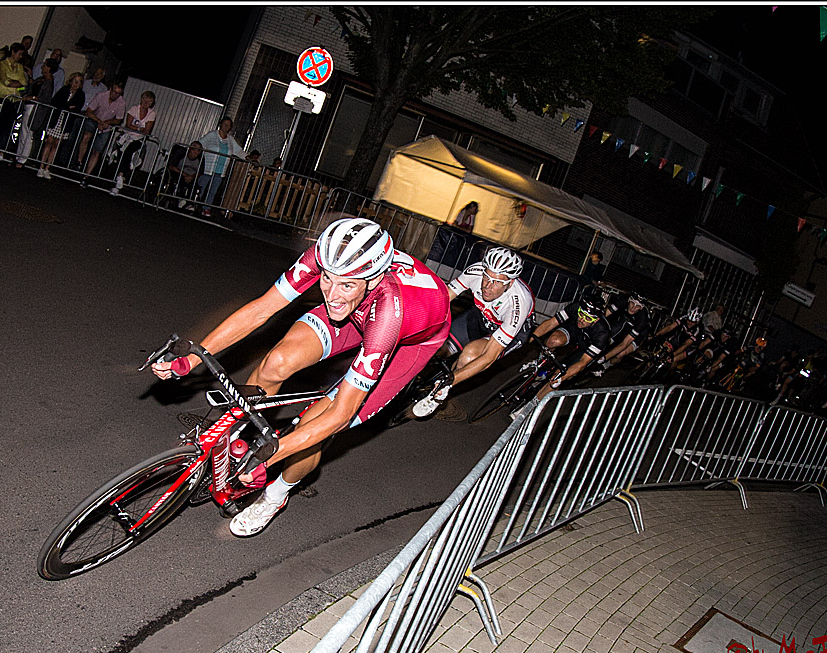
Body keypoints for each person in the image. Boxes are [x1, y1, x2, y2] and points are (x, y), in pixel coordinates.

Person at [150, 218, 452, 537]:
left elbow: (340, 414)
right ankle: (237, 432)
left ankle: (275, 497)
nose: (331, 293)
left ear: (373, 277)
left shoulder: (391, 310)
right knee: (276, 362)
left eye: (346, 284)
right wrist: (194, 353)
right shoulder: (328, 260)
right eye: (326, 279)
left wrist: (269, 458)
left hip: (409, 340)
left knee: (316, 428)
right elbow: (261, 310)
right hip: (357, 312)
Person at [411, 246, 535, 418]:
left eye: (497, 282)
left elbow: (488, 357)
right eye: (486, 276)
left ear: (511, 282)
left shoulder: (518, 303)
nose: (487, 286)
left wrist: (452, 379)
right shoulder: (475, 271)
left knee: (468, 357)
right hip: (480, 315)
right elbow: (443, 299)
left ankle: (441, 392)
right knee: (438, 347)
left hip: (507, 331)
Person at [530, 293, 614, 401]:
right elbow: (551, 323)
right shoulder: (576, 307)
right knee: (552, 341)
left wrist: (561, 378)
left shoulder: (602, 333)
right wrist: (530, 339)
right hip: (575, 331)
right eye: (581, 314)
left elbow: (582, 362)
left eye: (588, 318)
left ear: (596, 320)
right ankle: (541, 364)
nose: (582, 320)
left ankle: (530, 407)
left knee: (557, 378)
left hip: (587, 347)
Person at [0, 41, 28, 162]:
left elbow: (23, 83)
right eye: (19, 54)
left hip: (13, 99)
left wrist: (15, 84)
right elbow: (5, 81)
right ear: (13, 52)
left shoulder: (19, 67)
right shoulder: (3, 65)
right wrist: (15, 83)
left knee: (8, 124)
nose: (20, 57)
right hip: (2, 98)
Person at [108, 90, 157, 196]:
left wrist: (137, 129)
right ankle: (119, 178)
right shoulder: (133, 109)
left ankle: (120, 176)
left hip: (139, 139)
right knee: (121, 151)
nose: (146, 103)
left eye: (148, 102)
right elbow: (128, 124)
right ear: (141, 99)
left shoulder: (152, 114)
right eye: (144, 100)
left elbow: (147, 130)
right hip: (127, 136)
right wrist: (140, 129)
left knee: (129, 150)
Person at [197, 116, 248, 217]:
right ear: (221, 124)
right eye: (225, 125)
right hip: (208, 167)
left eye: (228, 126)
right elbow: (200, 144)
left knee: (213, 191)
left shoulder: (230, 140)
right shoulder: (212, 135)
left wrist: (248, 157)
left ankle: (206, 208)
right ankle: (195, 204)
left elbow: (238, 151)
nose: (226, 127)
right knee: (202, 188)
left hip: (220, 170)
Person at [37, 71, 85, 178]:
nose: (76, 84)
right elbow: (56, 102)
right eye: (75, 81)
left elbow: (77, 108)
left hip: (66, 122)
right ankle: (41, 166)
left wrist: (66, 106)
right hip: (56, 119)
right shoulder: (64, 90)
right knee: (49, 142)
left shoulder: (81, 95)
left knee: (56, 145)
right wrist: (68, 106)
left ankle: (47, 168)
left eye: (79, 82)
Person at [591, 292, 652, 376]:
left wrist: (604, 358)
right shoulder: (623, 301)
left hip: (639, 334)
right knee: (607, 336)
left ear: (641, 308)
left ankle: (605, 366)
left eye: (637, 306)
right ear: (629, 300)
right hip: (625, 322)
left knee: (621, 353)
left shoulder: (642, 319)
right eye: (632, 303)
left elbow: (624, 344)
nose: (633, 308)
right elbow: (603, 316)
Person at [76, 81, 126, 180]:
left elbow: (119, 119)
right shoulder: (101, 96)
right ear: (110, 89)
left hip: (107, 126)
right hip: (94, 119)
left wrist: (108, 122)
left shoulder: (121, 102)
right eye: (114, 92)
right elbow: (89, 111)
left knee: (97, 150)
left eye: (118, 93)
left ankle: (87, 175)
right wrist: (98, 121)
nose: (115, 95)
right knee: (86, 136)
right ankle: (79, 162)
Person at [14, 58, 58, 167]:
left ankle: (22, 159)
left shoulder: (48, 82)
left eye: (44, 65)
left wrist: (32, 98)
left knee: (28, 133)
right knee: (23, 132)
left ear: (48, 68)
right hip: (30, 106)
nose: (42, 67)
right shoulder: (41, 79)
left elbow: (45, 98)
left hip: (35, 108)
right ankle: (18, 156)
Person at [164, 140, 204, 207]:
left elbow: (200, 172)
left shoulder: (201, 158)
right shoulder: (181, 153)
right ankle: (180, 198)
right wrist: (184, 175)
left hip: (191, 176)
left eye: (197, 153)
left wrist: (191, 177)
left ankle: (190, 203)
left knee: (194, 184)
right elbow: (172, 166)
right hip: (179, 172)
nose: (195, 154)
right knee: (180, 180)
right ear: (190, 149)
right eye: (194, 151)